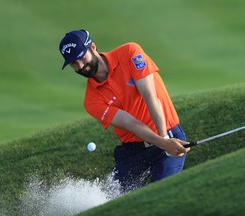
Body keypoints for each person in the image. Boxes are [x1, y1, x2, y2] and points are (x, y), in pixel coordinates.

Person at [58, 29, 190, 195]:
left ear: (92, 47)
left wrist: (164, 140)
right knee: (113, 200)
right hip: (134, 151)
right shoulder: (91, 101)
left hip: (169, 134)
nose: (80, 66)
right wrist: (163, 143)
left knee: (161, 195)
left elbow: (150, 97)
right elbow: (131, 123)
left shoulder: (130, 53)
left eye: (81, 58)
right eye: (73, 64)